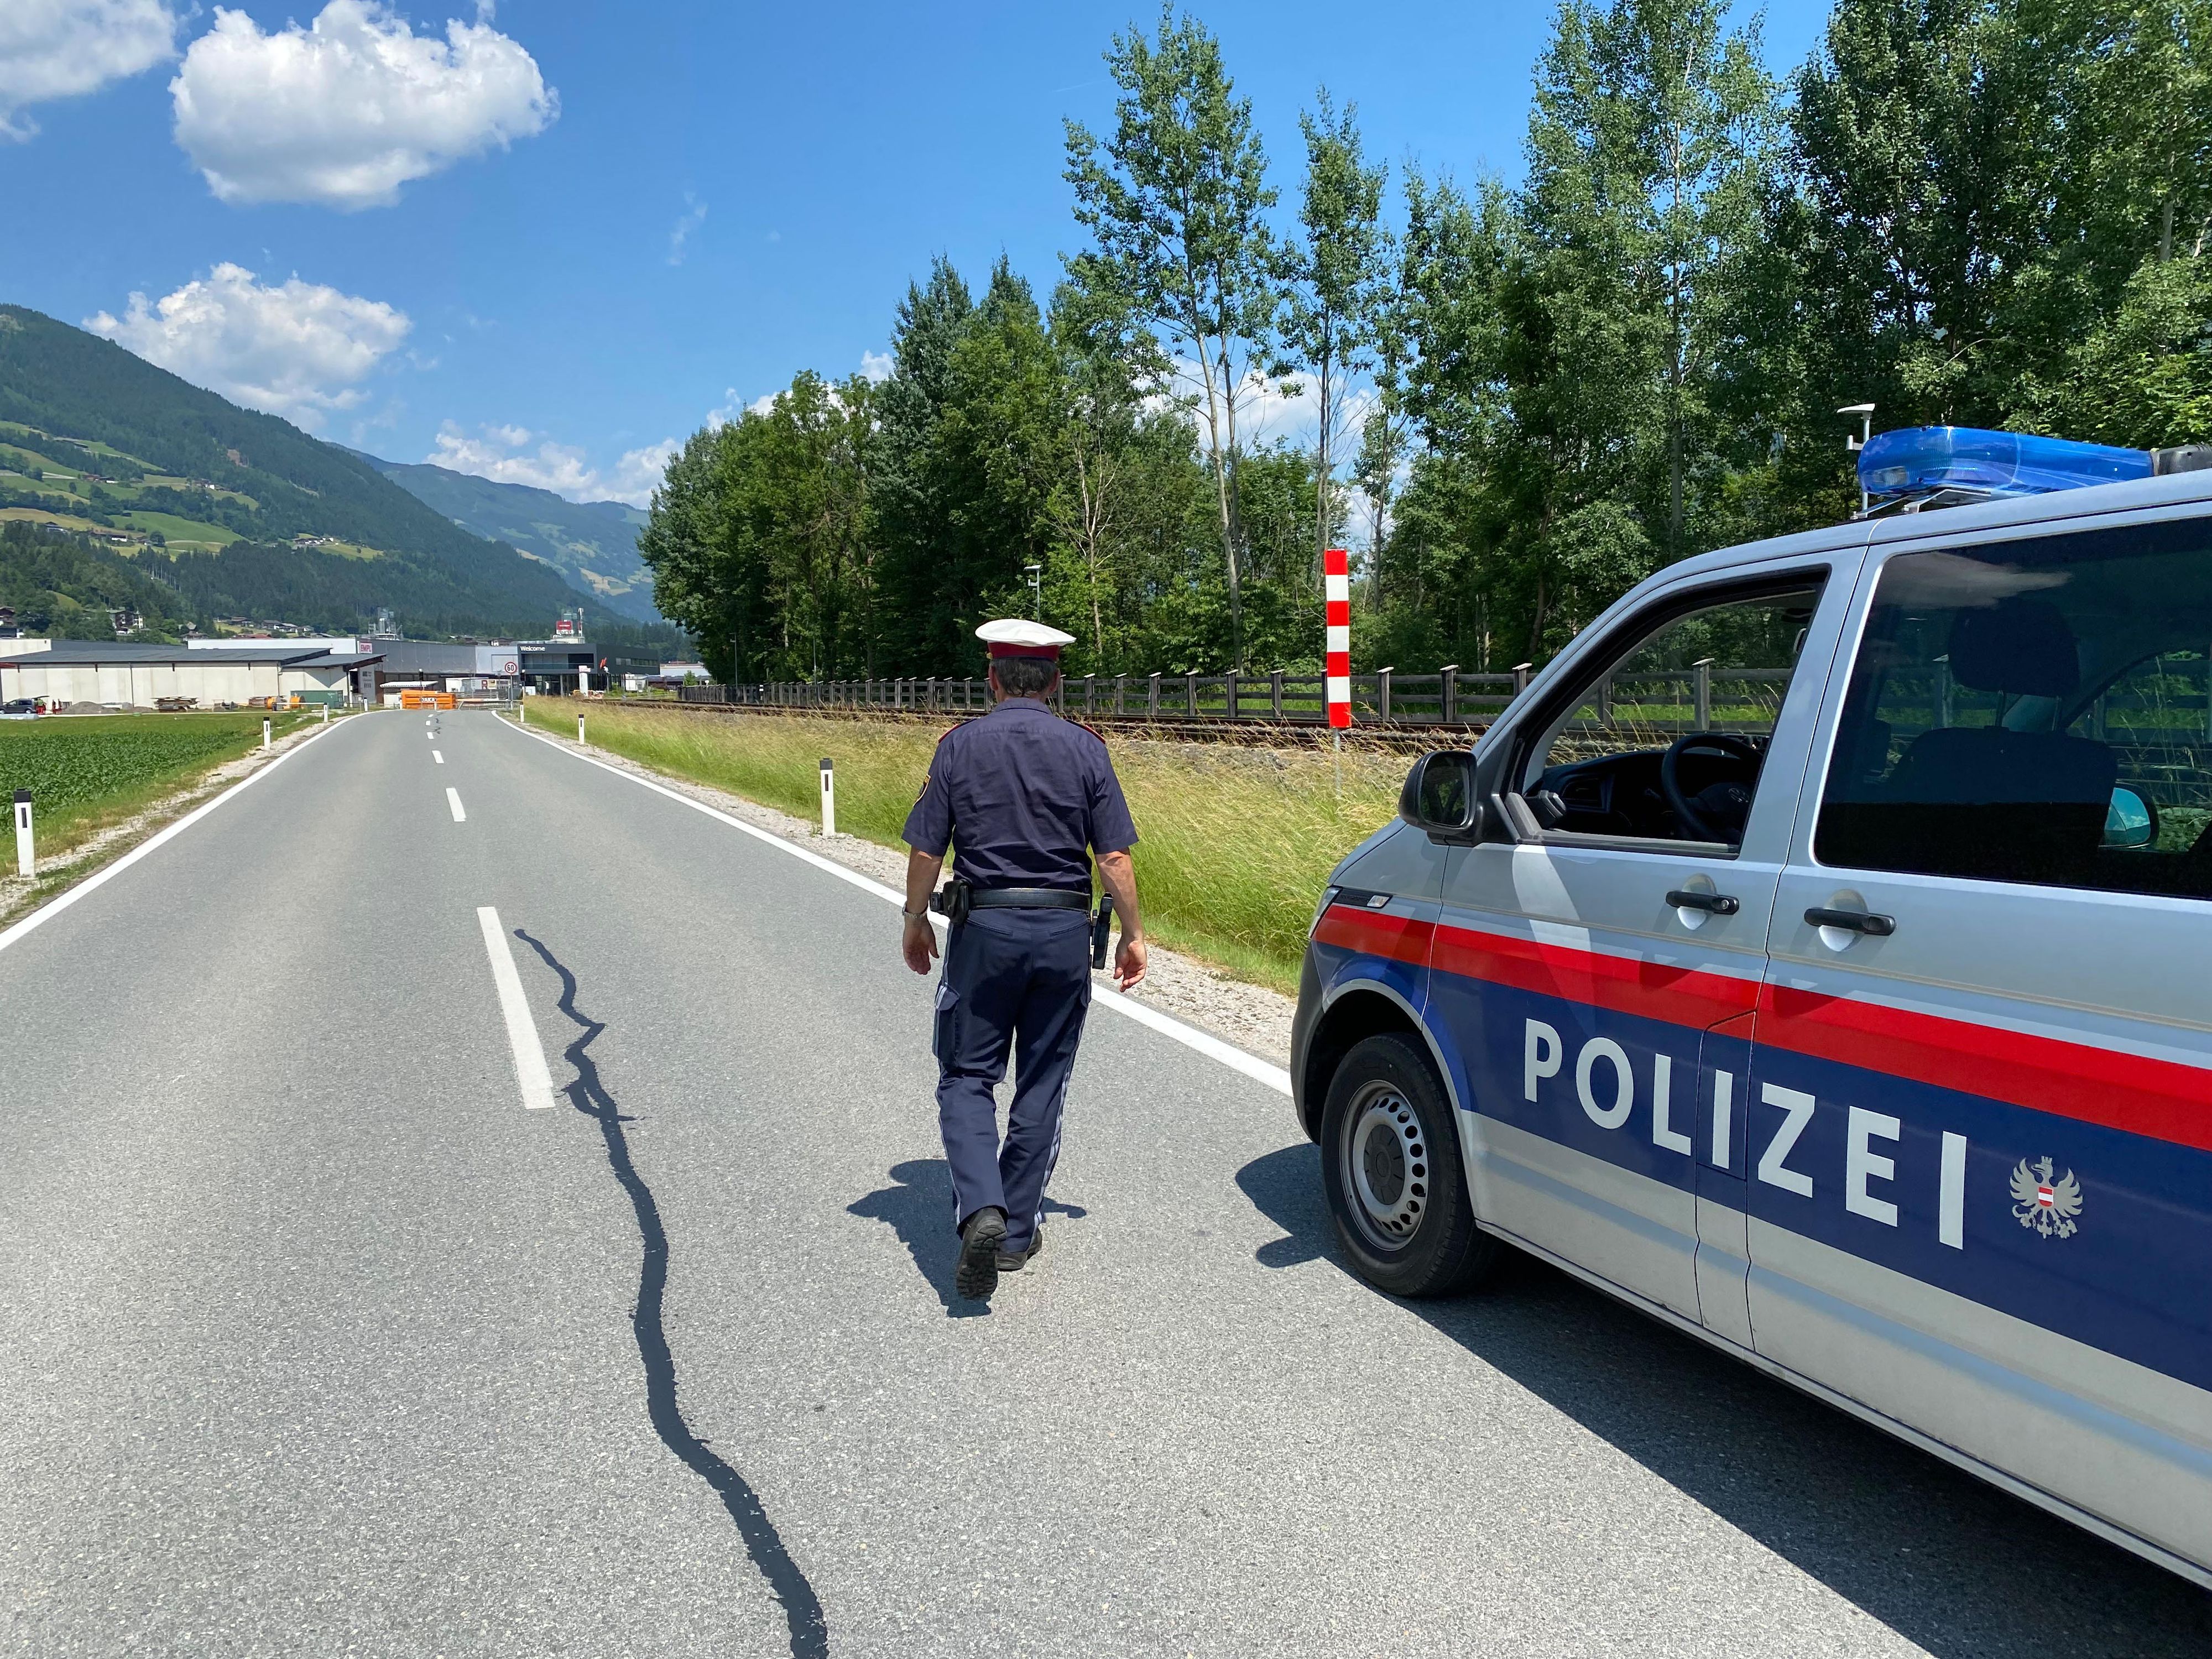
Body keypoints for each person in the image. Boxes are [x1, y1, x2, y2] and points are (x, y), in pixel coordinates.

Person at [900, 618, 1147, 1301]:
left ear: (992, 677)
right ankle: (1012, 1235)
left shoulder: (958, 746)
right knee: (1042, 1080)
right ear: (1056, 681)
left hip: (984, 931)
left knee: (966, 1075)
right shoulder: (1087, 750)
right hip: (1065, 933)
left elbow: (927, 852)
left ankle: (980, 1206)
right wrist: (1132, 933)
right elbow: (1114, 857)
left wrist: (916, 919)